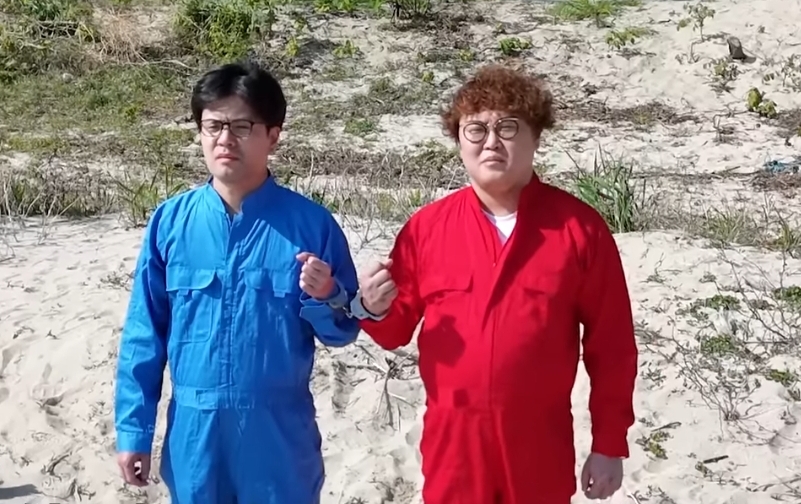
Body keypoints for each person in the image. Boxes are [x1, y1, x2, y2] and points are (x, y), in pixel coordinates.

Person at [349, 64, 638, 503]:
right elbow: (393, 331)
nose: (491, 141)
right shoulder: (427, 229)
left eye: (507, 127)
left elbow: (612, 346)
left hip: (539, 449)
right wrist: (370, 307)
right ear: (459, 140)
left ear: (535, 137)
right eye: (476, 129)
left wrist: (609, 444)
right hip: (454, 449)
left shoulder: (579, 230)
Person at [113, 62, 361, 504]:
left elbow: (343, 330)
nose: (224, 139)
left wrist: (327, 295)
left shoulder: (311, 226)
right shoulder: (171, 222)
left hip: (278, 439)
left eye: (242, 126)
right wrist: (134, 430)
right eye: (213, 126)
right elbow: (143, 335)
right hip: (195, 436)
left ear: (273, 136)